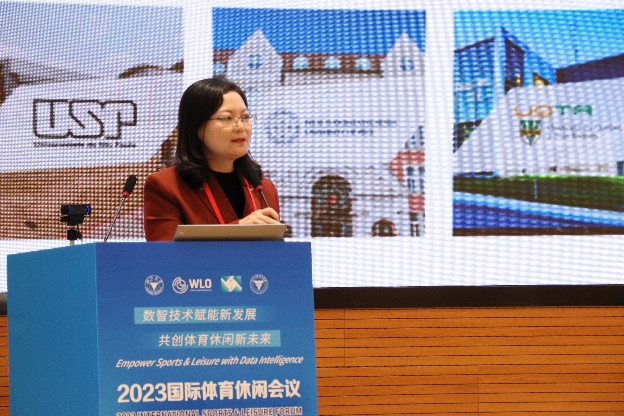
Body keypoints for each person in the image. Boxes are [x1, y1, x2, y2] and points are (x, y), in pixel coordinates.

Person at [143, 77, 280, 241]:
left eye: (245, 117)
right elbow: (165, 254)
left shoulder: (264, 188)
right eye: (227, 118)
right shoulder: (166, 186)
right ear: (197, 127)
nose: (241, 127)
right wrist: (238, 229)